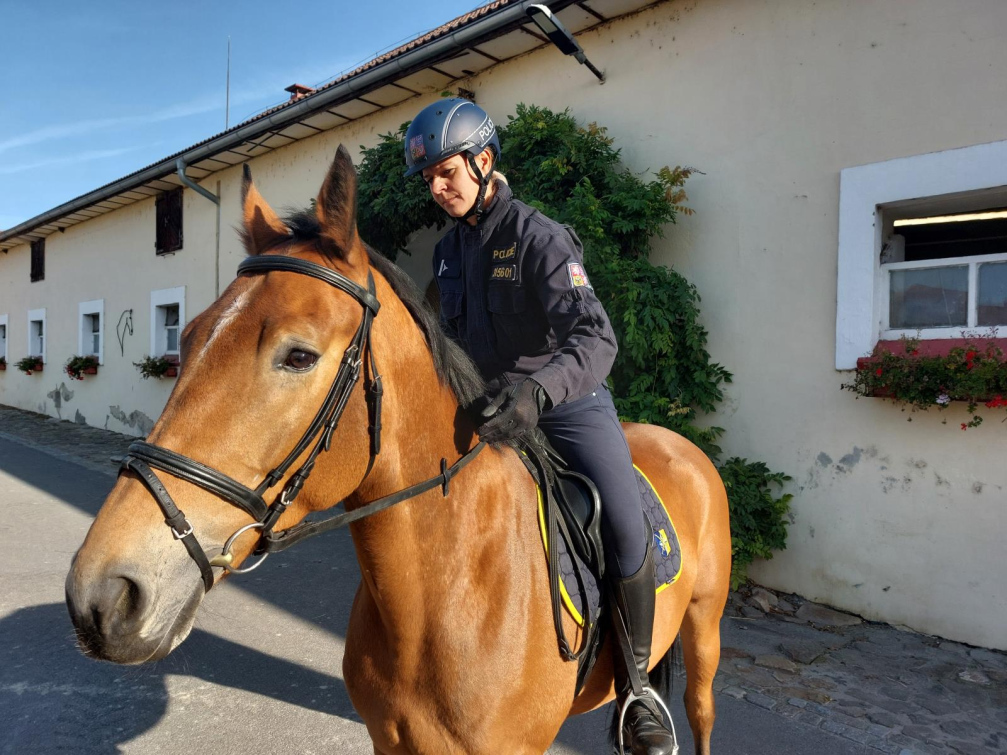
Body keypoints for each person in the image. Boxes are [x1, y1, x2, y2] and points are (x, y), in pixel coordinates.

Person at [404, 98, 675, 754]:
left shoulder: (539, 237)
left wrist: (538, 389)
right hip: (487, 412)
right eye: (429, 179)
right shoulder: (445, 255)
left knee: (620, 520)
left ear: (483, 159)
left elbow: (595, 335)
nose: (438, 189)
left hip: (564, 404)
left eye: (447, 172)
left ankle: (640, 688)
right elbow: (440, 341)